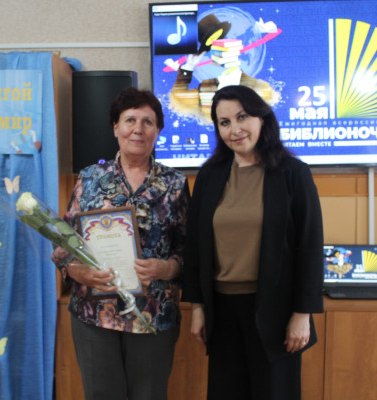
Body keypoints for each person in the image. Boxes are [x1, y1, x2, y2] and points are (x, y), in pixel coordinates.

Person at [181, 85, 324, 400]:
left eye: (242, 117)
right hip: (222, 312)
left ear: (262, 118)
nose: (235, 129)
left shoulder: (293, 173)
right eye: (224, 122)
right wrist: (198, 307)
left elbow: (310, 246)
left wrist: (302, 313)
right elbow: (195, 247)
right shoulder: (210, 175)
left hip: (276, 311)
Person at [52, 87, 190, 400]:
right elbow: (63, 244)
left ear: (157, 131)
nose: (138, 129)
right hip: (94, 314)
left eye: (148, 122)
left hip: (153, 314)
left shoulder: (175, 185)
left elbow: (188, 251)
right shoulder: (89, 178)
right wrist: (81, 273)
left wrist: (165, 268)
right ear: (116, 128)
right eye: (130, 120)